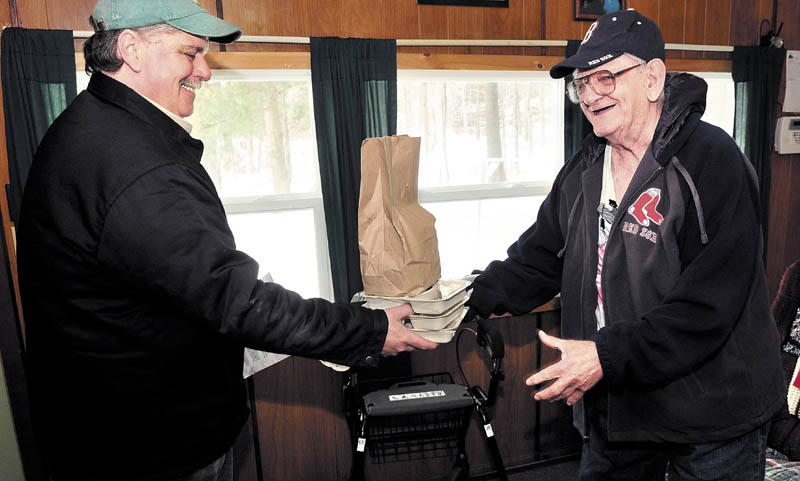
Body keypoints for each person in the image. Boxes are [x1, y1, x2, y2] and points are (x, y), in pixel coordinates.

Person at [16, 1, 437, 480]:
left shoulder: (92, 124)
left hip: (112, 428)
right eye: (190, 53)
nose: (204, 72)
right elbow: (237, 301)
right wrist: (369, 329)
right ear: (131, 49)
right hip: (154, 446)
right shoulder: (136, 165)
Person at [465, 9, 783, 481]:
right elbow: (536, 260)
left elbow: (707, 309)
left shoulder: (714, 162)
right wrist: (460, 298)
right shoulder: (584, 170)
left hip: (713, 414)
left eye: (606, 77)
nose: (591, 95)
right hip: (622, 406)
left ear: (653, 79)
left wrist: (605, 355)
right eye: (581, 83)